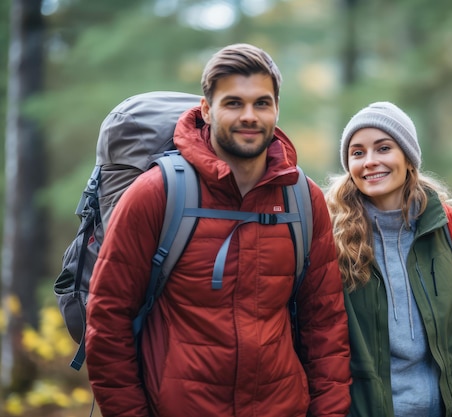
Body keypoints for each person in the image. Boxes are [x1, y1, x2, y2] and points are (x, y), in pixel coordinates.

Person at [85, 43, 351, 417]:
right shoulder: (155, 194)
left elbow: (324, 325)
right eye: (233, 103)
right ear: (206, 109)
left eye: (261, 103)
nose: (249, 116)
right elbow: (107, 323)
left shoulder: (302, 200)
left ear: (276, 108)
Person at [325, 101, 452, 417]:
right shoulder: (330, 241)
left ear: (408, 157)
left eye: (384, 148)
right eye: (358, 152)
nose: (370, 161)